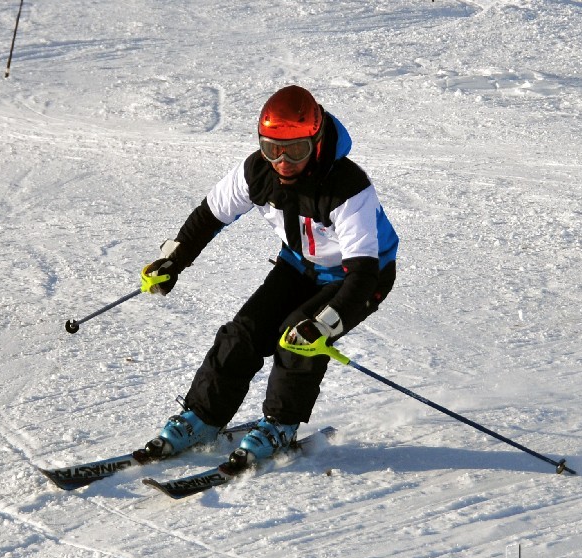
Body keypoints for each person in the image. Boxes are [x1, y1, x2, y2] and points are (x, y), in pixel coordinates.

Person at [138, 84, 398, 464]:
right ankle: (202, 417)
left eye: (295, 150)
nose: (282, 161)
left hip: (359, 278)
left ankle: (281, 423)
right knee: (243, 331)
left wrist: (326, 324)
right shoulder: (255, 172)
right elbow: (208, 217)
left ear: (316, 140)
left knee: (298, 336)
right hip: (298, 265)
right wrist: (172, 261)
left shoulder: (347, 186)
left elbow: (362, 271)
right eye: (271, 148)